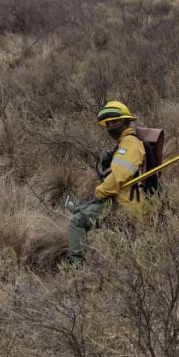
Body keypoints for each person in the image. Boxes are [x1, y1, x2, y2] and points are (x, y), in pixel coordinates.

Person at [66, 101, 147, 265]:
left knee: (76, 222)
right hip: (122, 199)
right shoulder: (125, 143)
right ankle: (78, 208)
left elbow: (119, 175)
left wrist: (100, 191)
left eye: (114, 122)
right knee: (81, 210)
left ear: (125, 121)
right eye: (108, 124)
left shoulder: (130, 143)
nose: (110, 127)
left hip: (126, 204)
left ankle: (75, 267)